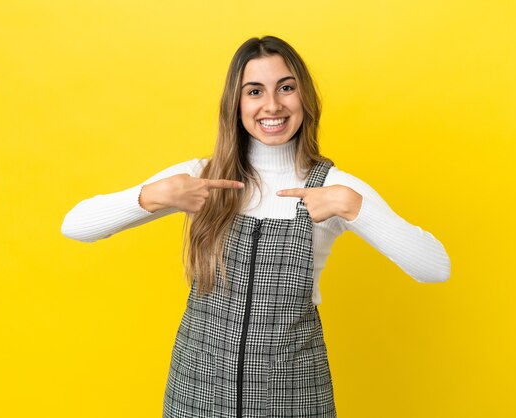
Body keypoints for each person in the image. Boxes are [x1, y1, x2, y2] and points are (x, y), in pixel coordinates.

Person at [61, 35, 450, 418]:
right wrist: (152, 196)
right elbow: (75, 226)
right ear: (236, 103)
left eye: (286, 87)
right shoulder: (201, 178)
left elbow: (435, 268)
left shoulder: (335, 188)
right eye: (254, 91)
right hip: (197, 392)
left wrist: (355, 208)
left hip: (293, 396)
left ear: (304, 98)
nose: (272, 105)